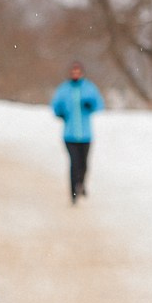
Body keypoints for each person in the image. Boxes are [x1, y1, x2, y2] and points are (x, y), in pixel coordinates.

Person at [53, 62, 105, 202]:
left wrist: (91, 105)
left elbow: (99, 104)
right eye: (73, 72)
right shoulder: (64, 89)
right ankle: (73, 193)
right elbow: (55, 106)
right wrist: (60, 113)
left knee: (84, 164)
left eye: (78, 72)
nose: (75, 74)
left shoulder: (89, 88)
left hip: (85, 134)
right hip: (69, 134)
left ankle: (81, 184)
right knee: (74, 163)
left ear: (81, 73)